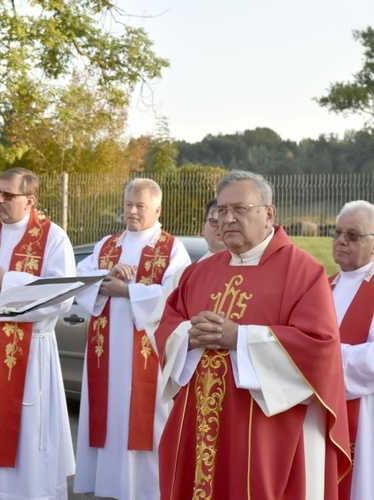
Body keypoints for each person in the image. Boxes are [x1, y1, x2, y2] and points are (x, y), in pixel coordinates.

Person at [154, 170, 351, 499]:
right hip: (199, 423)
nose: (227, 219)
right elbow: (167, 326)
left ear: (269, 213)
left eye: (240, 209)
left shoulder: (302, 272)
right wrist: (189, 334)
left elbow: (319, 349)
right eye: (221, 211)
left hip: (265, 433)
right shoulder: (199, 272)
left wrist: (239, 339)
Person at [73, 178, 191, 500]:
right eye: (128, 204)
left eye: (140, 205)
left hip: (146, 354)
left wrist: (128, 291)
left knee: (144, 421)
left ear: (157, 208)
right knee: (108, 419)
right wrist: (104, 277)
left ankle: (147, 491)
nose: (133, 211)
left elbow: (176, 296)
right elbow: (78, 280)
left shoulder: (172, 248)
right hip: (105, 354)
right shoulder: (106, 245)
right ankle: (107, 488)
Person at [0, 167, 76, 499]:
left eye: (8, 195)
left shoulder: (53, 236)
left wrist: (8, 281)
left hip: (30, 355)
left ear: (30, 200)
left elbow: (64, 294)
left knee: (28, 438)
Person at [329, 200, 374, 499]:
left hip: (365, 416)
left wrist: (325, 360)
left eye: (353, 235)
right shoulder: (322, 285)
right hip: (322, 409)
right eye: (338, 233)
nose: (342, 241)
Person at [144, 198, 227, 341]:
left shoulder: (253, 272)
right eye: (214, 220)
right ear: (203, 228)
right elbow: (157, 325)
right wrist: (191, 334)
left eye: (225, 220)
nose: (220, 226)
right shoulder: (184, 276)